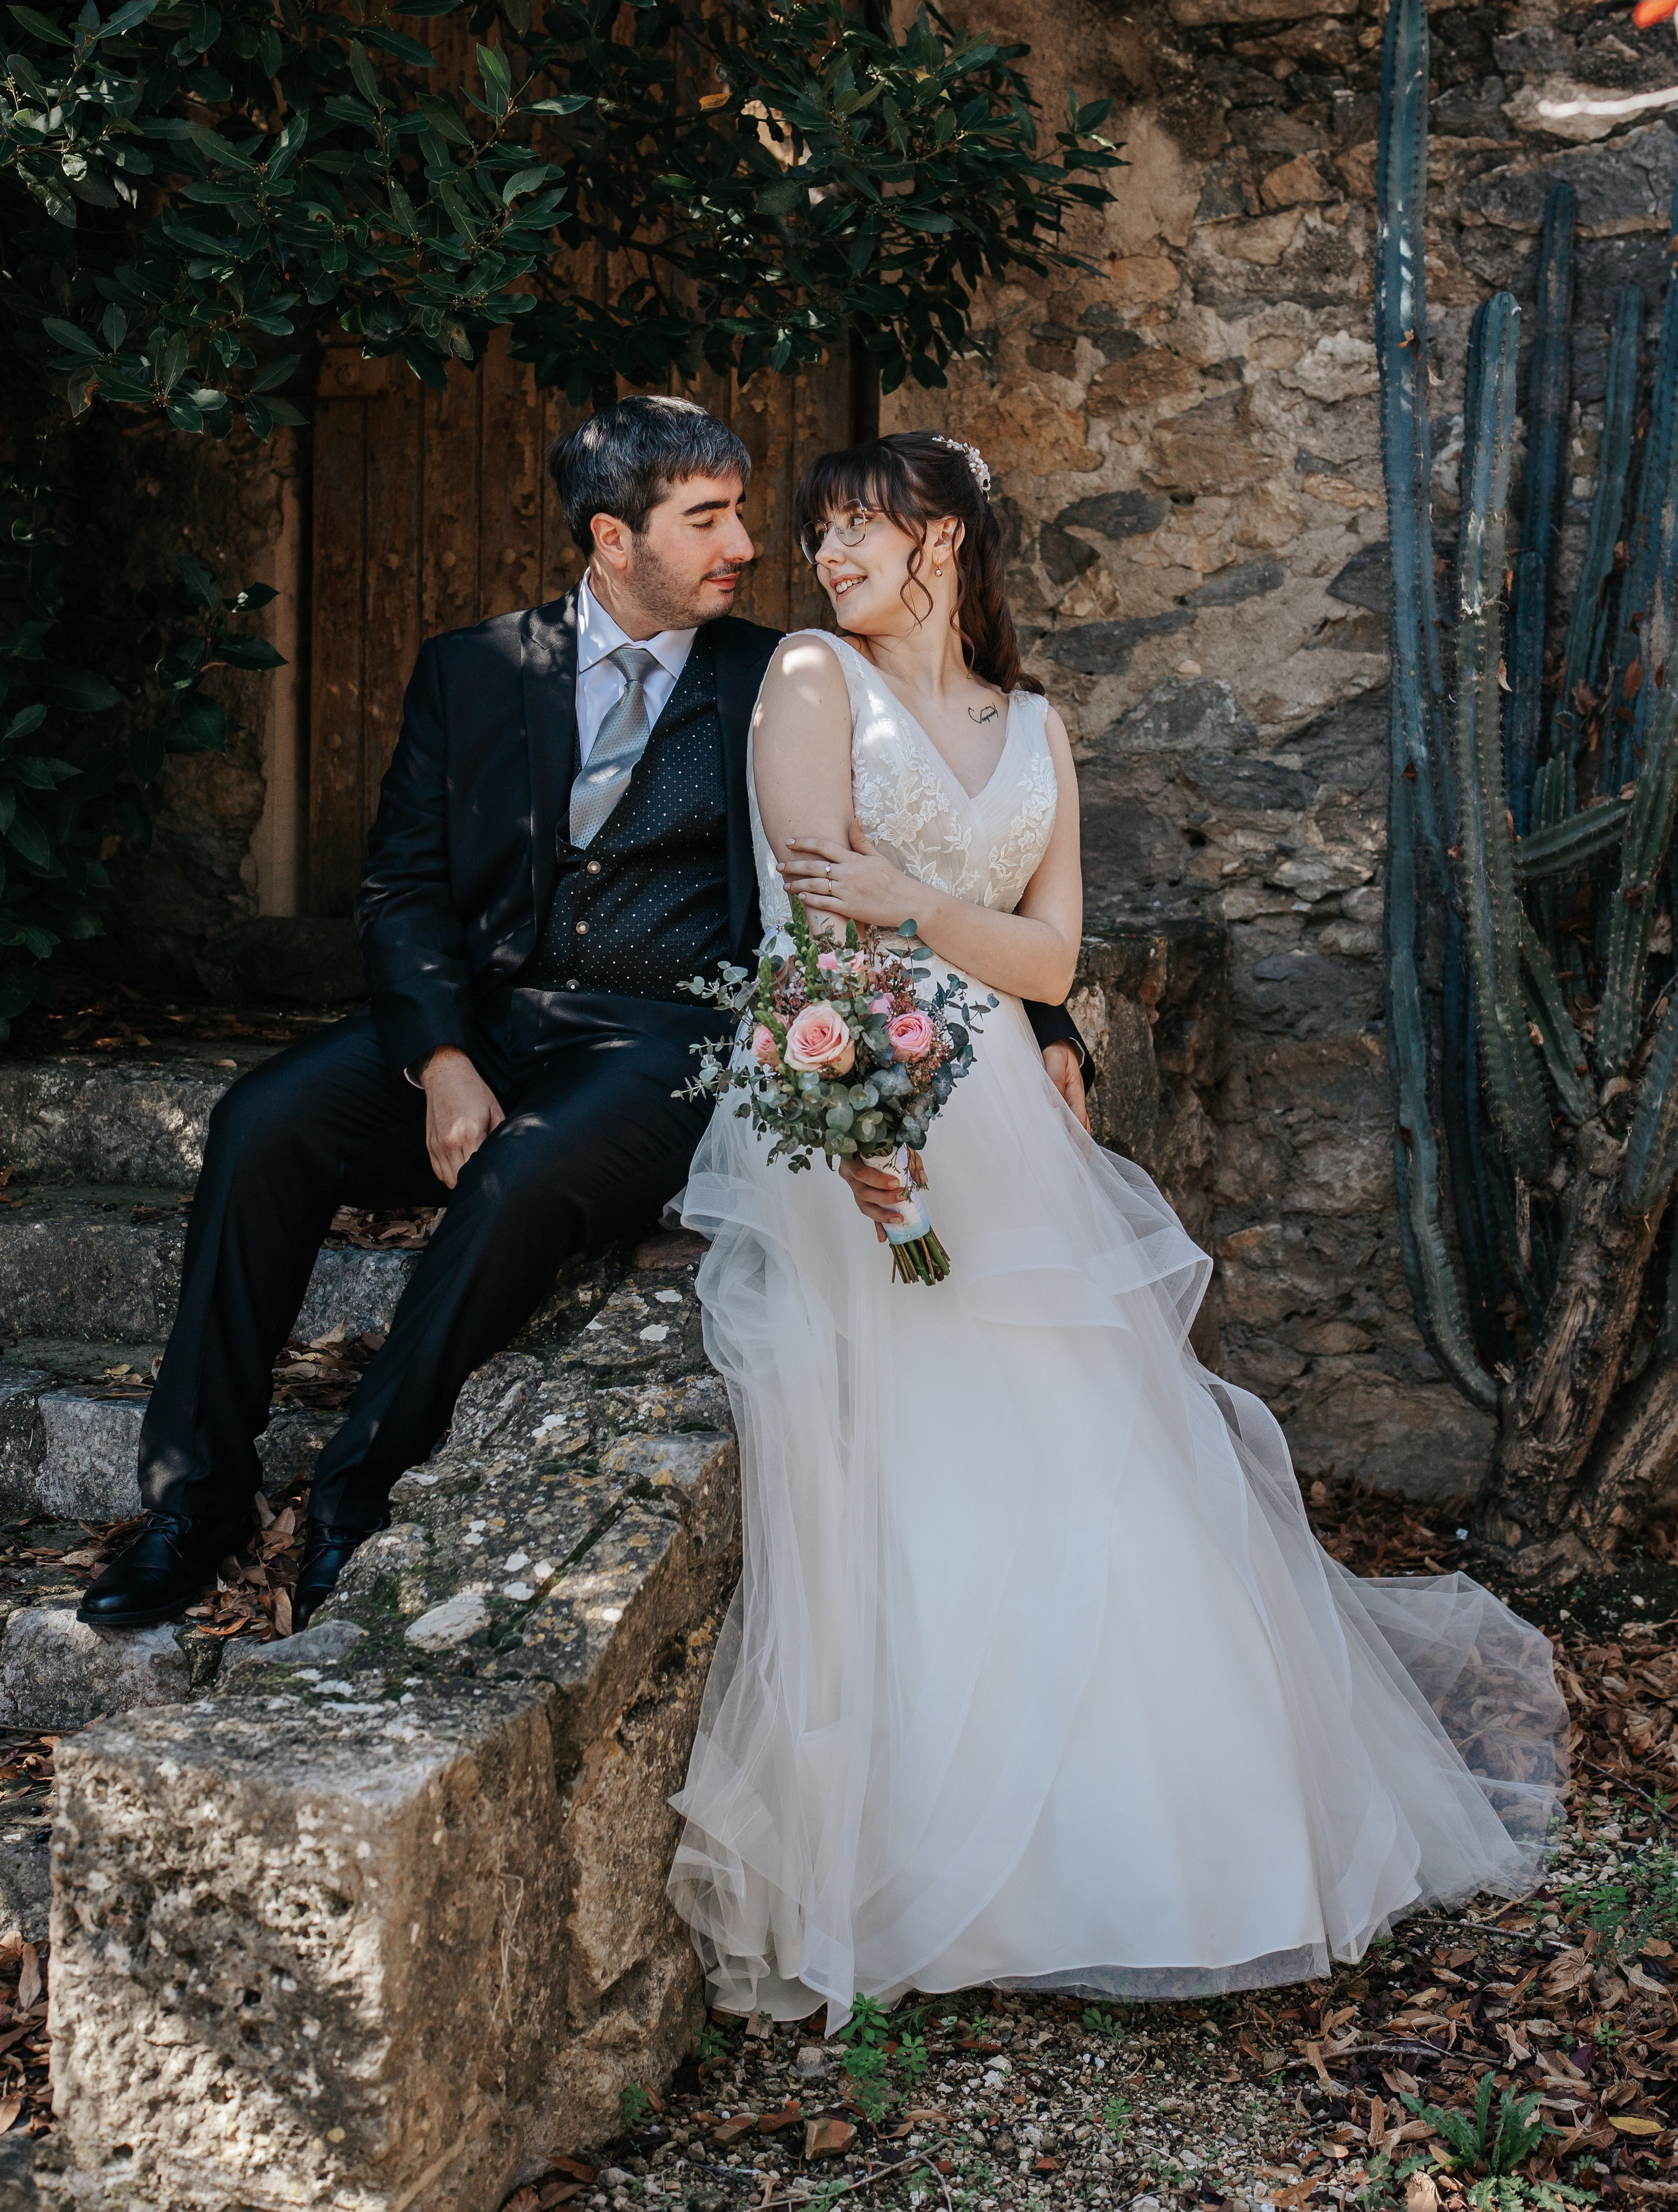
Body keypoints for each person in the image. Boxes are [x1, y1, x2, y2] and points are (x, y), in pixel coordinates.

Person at [666, 427, 1569, 2026]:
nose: (827, 556)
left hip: (1004, 1105)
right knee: (921, 1454)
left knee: (1086, 1437)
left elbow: (1049, 957)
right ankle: (940, 1871)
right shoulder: (810, 678)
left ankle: (1166, 1854)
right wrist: (864, 1125)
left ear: (941, 539)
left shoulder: (1035, 726)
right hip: (856, 1093)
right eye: (819, 535)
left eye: (855, 528)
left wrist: (931, 912)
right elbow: (814, 923)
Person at [83, 396, 1091, 1634]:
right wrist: (445, 1057)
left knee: (523, 1180)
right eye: (707, 519)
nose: (746, 546)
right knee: (257, 1125)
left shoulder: (782, 672)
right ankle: (195, 1502)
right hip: (495, 1016)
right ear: (614, 536)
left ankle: (357, 1488)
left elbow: (937, 848)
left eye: (740, 514)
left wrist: (1048, 1029)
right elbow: (399, 887)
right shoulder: (472, 669)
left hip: (668, 1037)